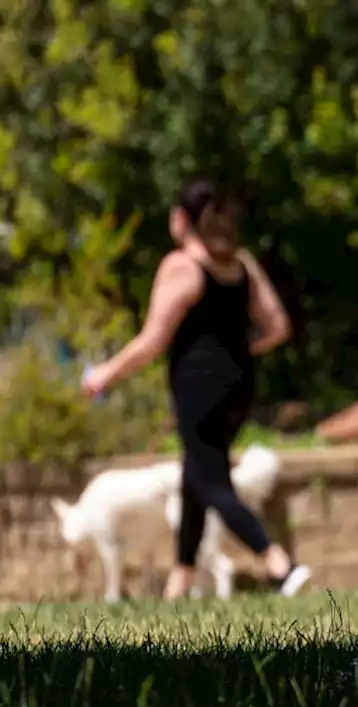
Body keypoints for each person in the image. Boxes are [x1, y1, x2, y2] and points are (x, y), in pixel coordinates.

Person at [82, 180, 311, 601]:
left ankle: (280, 564)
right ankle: (181, 580)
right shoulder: (241, 265)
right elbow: (277, 328)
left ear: (183, 220)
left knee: (213, 482)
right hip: (241, 383)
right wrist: (240, 350)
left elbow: (152, 341)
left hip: (197, 386)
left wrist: (104, 375)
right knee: (195, 475)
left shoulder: (181, 266)